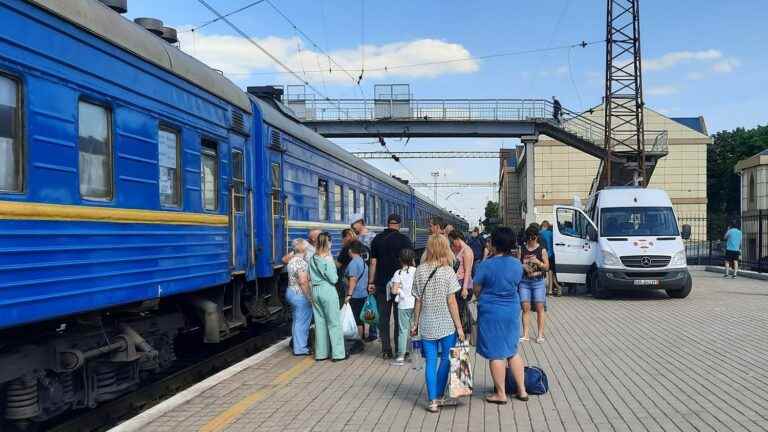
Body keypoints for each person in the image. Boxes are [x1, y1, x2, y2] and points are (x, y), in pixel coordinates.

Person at [411, 235, 466, 413]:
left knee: (430, 363)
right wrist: (459, 327)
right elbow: (452, 302)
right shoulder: (448, 271)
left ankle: (432, 401)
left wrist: (415, 322)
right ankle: (440, 394)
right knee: (445, 360)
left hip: (427, 324)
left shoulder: (419, 270)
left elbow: (418, 300)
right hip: (447, 325)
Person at [473, 227, 528, 404]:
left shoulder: (486, 265)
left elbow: (477, 288)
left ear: (494, 244)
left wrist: (480, 297)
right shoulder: (516, 264)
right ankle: (522, 390)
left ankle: (501, 394)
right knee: (512, 351)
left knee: (496, 353)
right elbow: (517, 283)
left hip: (491, 312)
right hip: (512, 309)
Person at [368, 214, 413, 359]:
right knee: (399, 317)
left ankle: (386, 349)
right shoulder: (405, 239)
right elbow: (411, 263)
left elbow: (373, 263)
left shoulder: (377, 239)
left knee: (384, 318)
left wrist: (371, 282)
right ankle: (400, 348)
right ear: (399, 225)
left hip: (382, 284)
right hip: (400, 286)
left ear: (388, 224)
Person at [309, 232, 346, 362]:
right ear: (328, 242)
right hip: (327, 290)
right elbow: (334, 278)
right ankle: (338, 354)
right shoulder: (327, 258)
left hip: (315, 290)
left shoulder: (313, 258)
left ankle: (321, 354)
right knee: (334, 323)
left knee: (320, 323)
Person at [519, 225, 549, 343]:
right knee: (525, 307)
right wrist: (523, 266)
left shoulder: (542, 250)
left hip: (538, 282)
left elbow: (547, 267)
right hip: (524, 282)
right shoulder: (523, 248)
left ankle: (540, 335)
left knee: (539, 307)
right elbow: (518, 263)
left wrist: (538, 262)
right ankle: (525, 334)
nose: (530, 240)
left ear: (536, 237)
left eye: (532, 237)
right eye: (528, 237)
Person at [351, 214, 377, 341]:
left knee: (370, 303)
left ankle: (372, 332)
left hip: (369, 274)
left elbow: (374, 259)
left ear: (361, 222)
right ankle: (366, 332)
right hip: (361, 275)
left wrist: (372, 279)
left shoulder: (372, 237)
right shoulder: (356, 239)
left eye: (353, 224)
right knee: (364, 303)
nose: (352, 227)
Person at [389, 248, 417, 365]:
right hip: (415, 304)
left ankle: (401, 356)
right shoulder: (416, 271)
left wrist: (398, 289)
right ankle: (415, 354)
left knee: (402, 330)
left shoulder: (398, 273)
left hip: (403, 305)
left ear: (400, 260)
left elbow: (394, 291)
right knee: (414, 329)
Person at [286, 239, 312, 356]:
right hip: (300, 294)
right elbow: (303, 281)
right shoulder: (301, 263)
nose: (307, 250)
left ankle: (297, 345)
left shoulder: (291, 261)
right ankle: (301, 349)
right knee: (302, 322)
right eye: (306, 248)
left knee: (297, 321)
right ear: (302, 249)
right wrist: (309, 296)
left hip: (291, 291)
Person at [448, 230, 474, 336]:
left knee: (461, 311)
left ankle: (462, 335)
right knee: (460, 311)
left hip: (464, 283)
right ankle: (460, 334)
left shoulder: (466, 251)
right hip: (458, 283)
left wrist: (464, 288)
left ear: (457, 239)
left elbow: (468, 271)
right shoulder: (460, 250)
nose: (451, 244)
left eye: (452, 241)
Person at [344, 240, 369, 340]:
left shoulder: (354, 263)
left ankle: (358, 341)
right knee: (361, 318)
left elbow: (353, 279)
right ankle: (362, 338)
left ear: (350, 250)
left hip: (355, 295)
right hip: (363, 293)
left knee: (356, 319)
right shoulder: (362, 262)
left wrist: (349, 295)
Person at [539, 221, 561, 296]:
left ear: (543, 226)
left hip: (545, 254)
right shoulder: (552, 233)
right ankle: (553, 289)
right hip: (552, 254)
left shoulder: (540, 233)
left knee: (547, 273)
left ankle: (552, 289)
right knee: (551, 273)